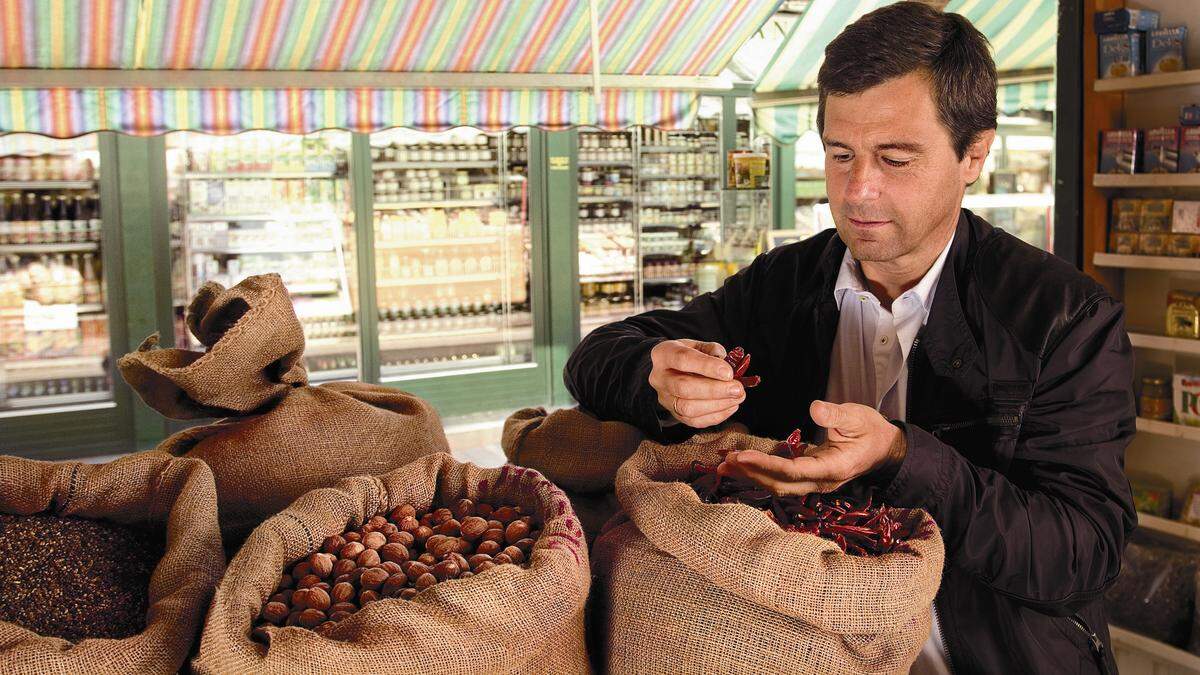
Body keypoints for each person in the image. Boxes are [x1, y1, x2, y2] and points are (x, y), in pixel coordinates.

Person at [564, 3, 1135, 673]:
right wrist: (658, 373)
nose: (858, 189)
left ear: (974, 153)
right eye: (840, 155)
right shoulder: (783, 284)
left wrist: (899, 455)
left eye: (895, 158)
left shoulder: (1067, 317)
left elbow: (1082, 550)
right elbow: (595, 358)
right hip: (798, 649)